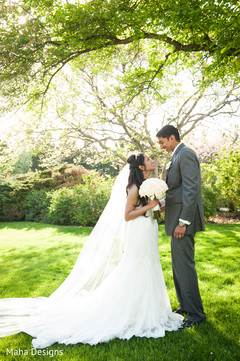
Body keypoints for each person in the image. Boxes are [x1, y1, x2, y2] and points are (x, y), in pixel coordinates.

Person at [0, 153, 183, 349]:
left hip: (148, 231)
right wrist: (151, 205)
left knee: (149, 267)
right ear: (140, 167)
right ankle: (128, 311)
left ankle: (148, 310)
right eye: (148, 160)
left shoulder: (147, 184)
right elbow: (128, 215)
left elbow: (150, 210)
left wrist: (163, 203)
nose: (152, 161)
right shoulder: (135, 187)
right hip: (137, 232)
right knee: (135, 268)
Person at [156, 125, 206, 327]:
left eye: (162, 142)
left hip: (183, 222)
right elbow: (177, 189)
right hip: (176, 218)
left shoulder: (185, 154)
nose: (161, 147)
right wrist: (163, 203)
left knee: (184, 266)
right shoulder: (176, 156)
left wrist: (183, 222)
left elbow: (191, 189)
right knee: (178, 265)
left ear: (172, 138)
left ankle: (196, 315)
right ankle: (185, 305)